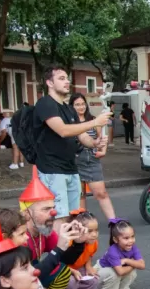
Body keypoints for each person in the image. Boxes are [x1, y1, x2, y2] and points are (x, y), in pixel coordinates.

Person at [34, 65, 110, 223]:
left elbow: (81, 135)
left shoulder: (69, 109)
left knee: (73, 215)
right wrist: (95, 122)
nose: (67, 82)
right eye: (61, 79)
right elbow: (62, 130)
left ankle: (67, 246)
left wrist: (95, 142)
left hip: (71, 168)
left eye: (67, 78)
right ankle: (57, 247)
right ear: (49, 83)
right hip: (52, 170)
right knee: (59, 216)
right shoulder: (45, 104)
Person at [19, 171, 84, 289]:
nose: (54, 213)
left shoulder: (43, 231)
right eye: (46, 209)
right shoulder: (19, 235)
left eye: (53, 207)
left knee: (61, 271)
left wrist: (78, 243)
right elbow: (29, 275)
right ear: (27, 214)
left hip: (21, 279)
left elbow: (64, 260)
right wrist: (59, 249)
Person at [70, 93, 116, 220]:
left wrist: (103, 150)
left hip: (91, 158)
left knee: (101, 193)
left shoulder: (93, 120)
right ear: (71, 106)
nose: (81, 107)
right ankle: (82, 222)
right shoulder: (69, 122)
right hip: (74, 159)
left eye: (83, 104)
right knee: (80, 194)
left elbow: (101, 138)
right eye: (77, 104)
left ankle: (113, 221)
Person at [58, 210, 101, 289]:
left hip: (79, 267)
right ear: (78, 230)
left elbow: (89, 255)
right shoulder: (70, 241)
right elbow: (58, 262)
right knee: (71, 282)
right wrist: (71, 271)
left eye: (96, 230)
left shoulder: (93, 242)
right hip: (63, 268)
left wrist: (88, 267)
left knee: (93, 280)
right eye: (90, 231)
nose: (95, 234)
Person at [97, 218, 145, 289]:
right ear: (115, 240)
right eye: (126, 238)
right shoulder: (113, 251)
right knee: (113, 273)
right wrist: (134, 263)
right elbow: (120, 271)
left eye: (132, 236)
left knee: (132, 272)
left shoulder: (133, 247)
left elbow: (142, 265)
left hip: (117, 268)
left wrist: (127, 260)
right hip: (101, 271)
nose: (130, 241)